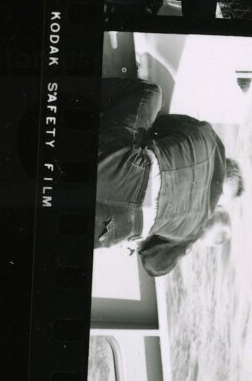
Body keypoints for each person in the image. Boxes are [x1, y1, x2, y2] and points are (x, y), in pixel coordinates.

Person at [95, 75, 244, 277]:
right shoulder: (195, 228)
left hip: (121, 170)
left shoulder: (206, 135)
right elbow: (154, 265)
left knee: (151, 92)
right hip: (120, 226)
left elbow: (158, 126)